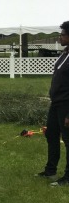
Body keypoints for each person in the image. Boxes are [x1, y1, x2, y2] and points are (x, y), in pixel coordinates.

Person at [37, 21, 69, 185]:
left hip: (66, 105)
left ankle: (68, 177)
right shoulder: (65, 54)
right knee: (51, 134)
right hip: (56, 103)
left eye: (63, 34)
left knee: (68, 139)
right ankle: (50, 170)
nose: (60, 37)